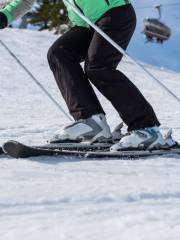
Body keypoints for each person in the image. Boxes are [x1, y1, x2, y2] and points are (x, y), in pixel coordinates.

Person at [0, 0, 173, 151]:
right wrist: (5, 15)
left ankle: (147, 128)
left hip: (114, 13)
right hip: (86, 24)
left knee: (98, 66)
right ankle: (91, 122)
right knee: (59, 53)